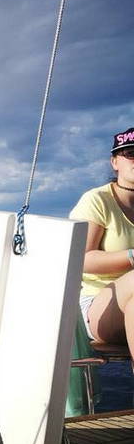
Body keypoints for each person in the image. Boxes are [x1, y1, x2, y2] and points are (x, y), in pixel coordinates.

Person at [70, 126, 134, 357]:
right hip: (99, 304)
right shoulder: (97, 200)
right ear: (115, 162)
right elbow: (82, 259)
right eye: (131, 154)